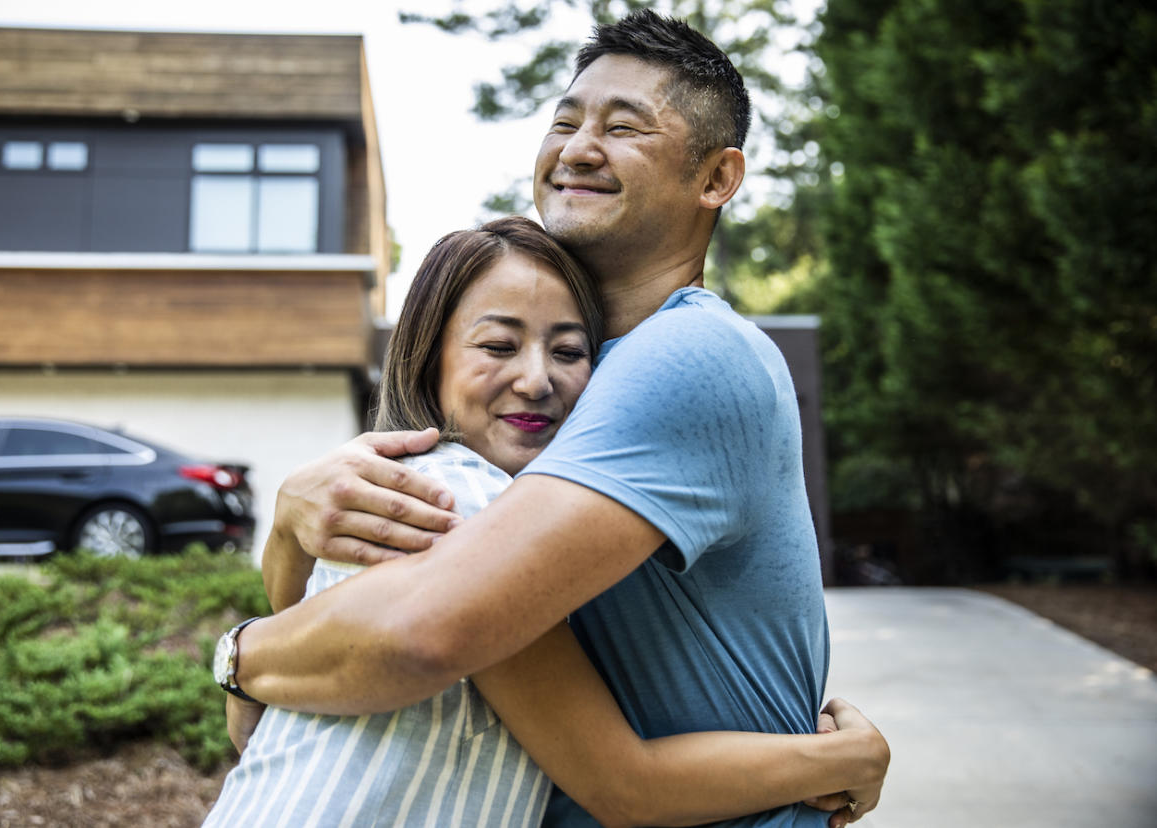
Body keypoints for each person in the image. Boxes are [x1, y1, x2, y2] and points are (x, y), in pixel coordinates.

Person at [222, 11, 888, 827]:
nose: (576, 148)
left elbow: (424, 631)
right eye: (565, 120)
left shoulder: (686, 355)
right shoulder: (565, 399)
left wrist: (237, 655)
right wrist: (291, 527)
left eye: (624, 127)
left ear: (715, 179)